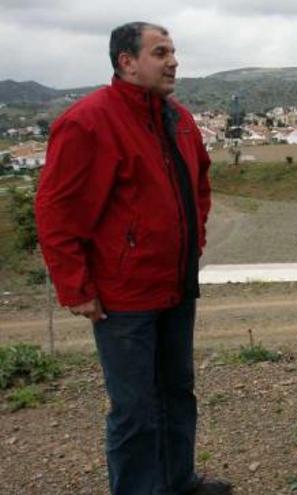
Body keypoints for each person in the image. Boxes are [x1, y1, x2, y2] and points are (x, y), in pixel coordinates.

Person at [35, 22, 230, 495]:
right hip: (125, 296)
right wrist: (77, 289)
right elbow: (56, 210)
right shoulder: (88, 122)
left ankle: (177, 481)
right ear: (127, 62)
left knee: (177, 394)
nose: (174, 61)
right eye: (160, 52)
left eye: (174, 51)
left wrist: (193, 242)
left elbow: (199, 186)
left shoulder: (177, 118)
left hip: (176, 284)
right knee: (135, 409)